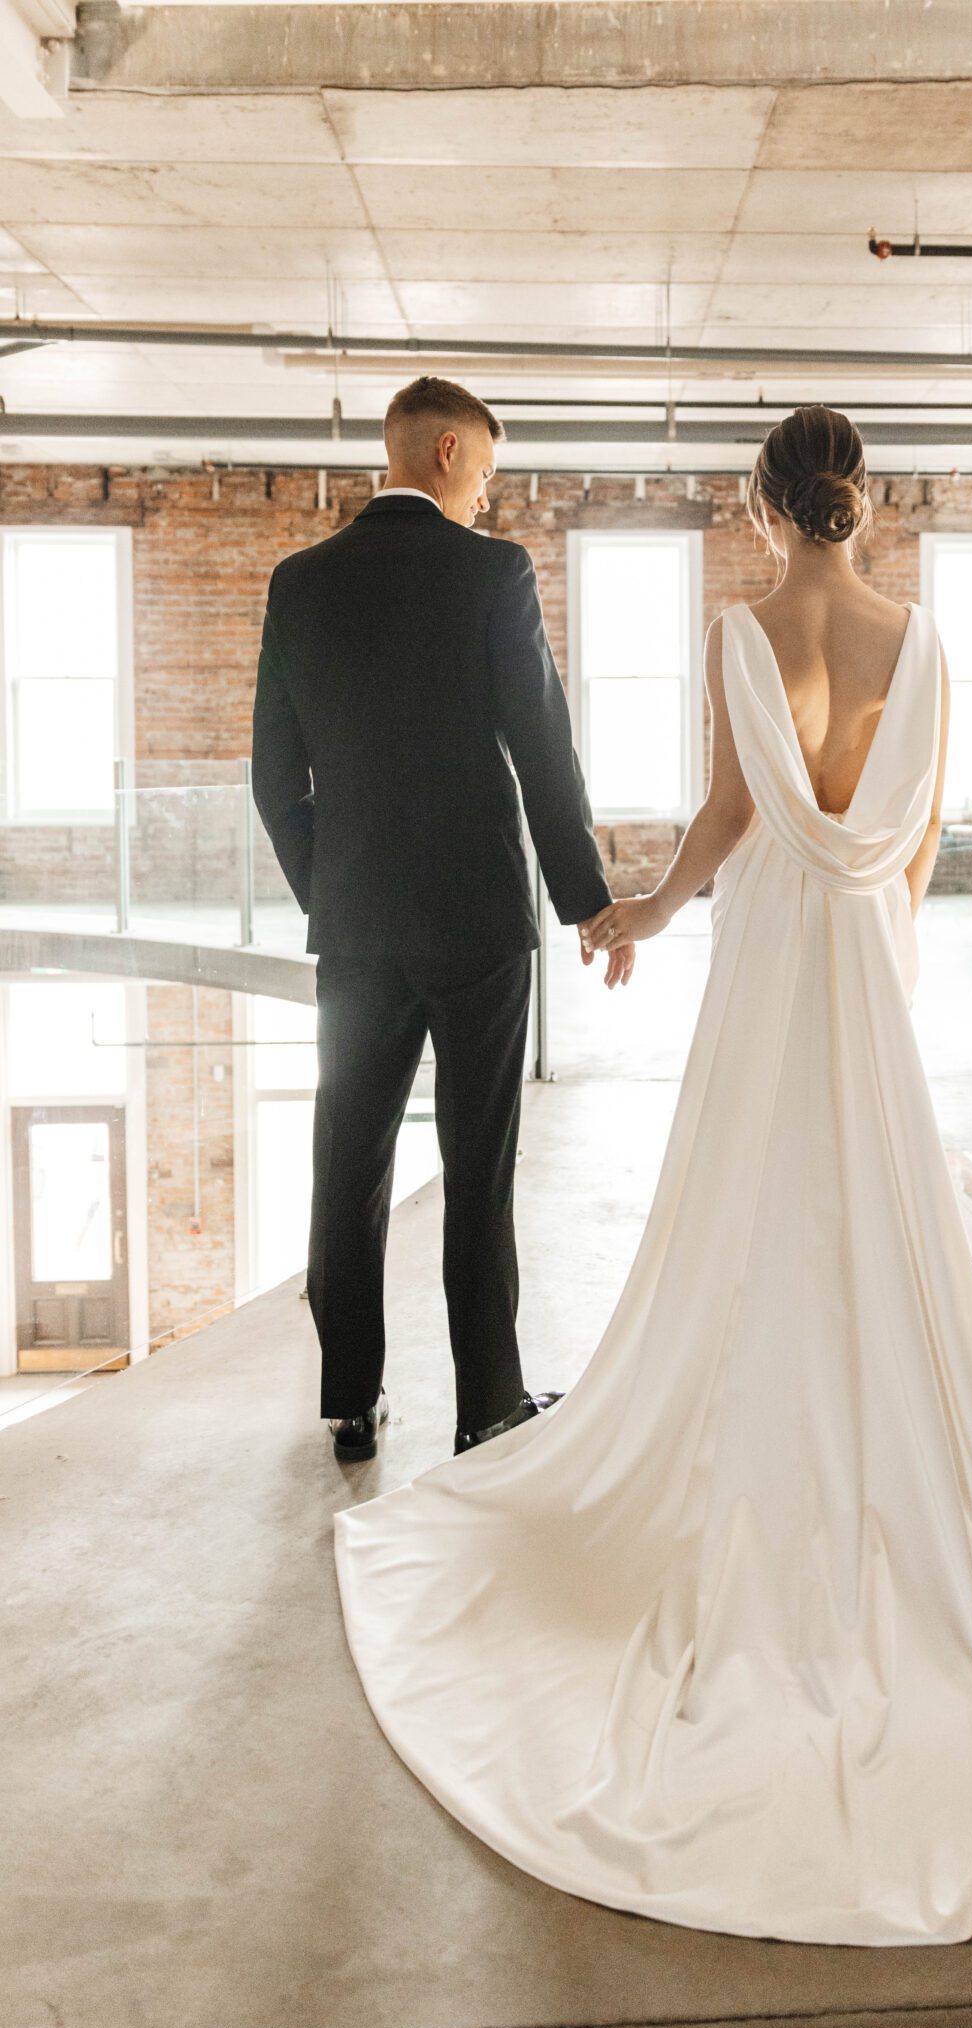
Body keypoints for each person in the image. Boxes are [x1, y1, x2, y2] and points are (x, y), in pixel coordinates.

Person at [333, 405, 972, 1944]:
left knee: (746, 1212)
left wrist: (635, 915)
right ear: (861, 501)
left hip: (771, 954)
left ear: (765, 505)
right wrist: (885, 947)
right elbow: (907, 842)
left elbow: (727, 816)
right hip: (861, 957)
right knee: (875, 1220)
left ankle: (753, 1448)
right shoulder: (924, 638)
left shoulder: (738, 630)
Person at [252, 376, 634, 1465]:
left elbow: (276, 775)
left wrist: (333, 890)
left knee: (349, 1158)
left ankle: (350, 1400)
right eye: (490, 473)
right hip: (475, 920)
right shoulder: (492, 572)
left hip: (357, 925)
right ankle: (488, 1405)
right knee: (479, 1162)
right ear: (453, 450)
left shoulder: (301, 582)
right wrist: (588, 902)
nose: (488, 496)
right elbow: (540, 742)